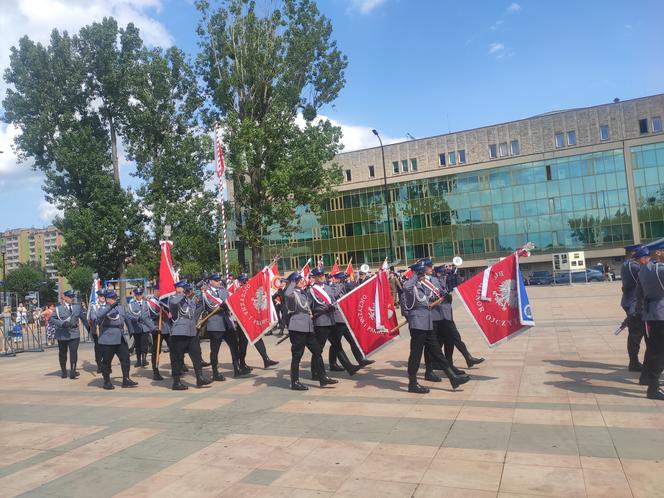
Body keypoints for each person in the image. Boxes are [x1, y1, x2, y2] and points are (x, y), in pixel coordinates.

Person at [401, 261, 470, 394]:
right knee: (415, 355)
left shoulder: (422, 285)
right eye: (421, 272)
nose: (423, 275)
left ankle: (453, 377)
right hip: (418, 325)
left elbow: (430, 297)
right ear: (417, 273)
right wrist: (416, 275)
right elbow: (406, 287)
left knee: (437, 352)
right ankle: (413, 383)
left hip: (427, 324)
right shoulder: (411, 286)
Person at [284, 271, 337, 390]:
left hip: (308, 327)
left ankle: (322, 377)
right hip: (297, 328)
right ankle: (295, 382)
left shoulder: (302, 292)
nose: (303, 281)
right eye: (300, 280)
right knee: (297, 355)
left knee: (317, 351)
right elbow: (287, 294)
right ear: (295, 282)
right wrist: (292, 282)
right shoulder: (291, 294)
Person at [434, 265, 485, 370]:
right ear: (438, 273)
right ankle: (468, 358)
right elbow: (439, 295)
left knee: (449, 340)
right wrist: (446, 296)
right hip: (441, 315)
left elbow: (453, 283)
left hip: (446, 314)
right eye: (444, 273)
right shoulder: (434, 281)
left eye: (446, 273)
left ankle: (448, 362)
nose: (446, 275)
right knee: (455, 337)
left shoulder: (442, 280)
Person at [168, 280, 212, 390]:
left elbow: (196, 310)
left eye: (186, 288)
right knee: (177, 357)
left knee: (196, 355)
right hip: (179, 332)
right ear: (177, 288)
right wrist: (181, 293)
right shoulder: (173, 298)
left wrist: (201, 293)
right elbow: (174, 304)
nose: (186, 289)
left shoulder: (189, 300)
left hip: (191, 331)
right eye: (183, 287)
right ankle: (176, 381)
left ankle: (200, 378)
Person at [202, 274, 244, 381]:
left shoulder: (223, 291)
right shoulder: (206, 293)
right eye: (216, 280)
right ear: (210, 281)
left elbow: (229, 302)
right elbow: (212, 306)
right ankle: (215, 372)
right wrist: (223, 305)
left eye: (219, 280)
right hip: (215, 324)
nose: (218, 282)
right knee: (215, 350)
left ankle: (236, 368)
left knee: (234, 346)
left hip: (227, 323)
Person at [636, 240, 664, 400]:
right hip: (660, 314)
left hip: (650, 314)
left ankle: (646, 377)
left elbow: (638, 294)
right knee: (659, 352)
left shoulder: (644, 270)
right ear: (659, 252)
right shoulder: (660, 270)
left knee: (653, 349)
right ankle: (653, 388)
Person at [234, 273, 279, 371]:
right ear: (240, 282)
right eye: (244, 281)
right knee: (243, 344)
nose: (246, 282)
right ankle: (241, 363)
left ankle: (266, 359)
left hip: (251, 321)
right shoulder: (237, 292)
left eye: (247, 280)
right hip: (242, 323)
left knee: (258, 339)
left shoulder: (249, 290)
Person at [94, 290, 137, 390]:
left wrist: (131, 331)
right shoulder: (102, 308)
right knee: (107, 362)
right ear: (107, 299)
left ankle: (126, 379)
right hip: (108, 339)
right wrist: (110, 306)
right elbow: (99, 315)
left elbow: (126, 318)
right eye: (111, 298)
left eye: (114, 298)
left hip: (120, 337)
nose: (114, 300)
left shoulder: (120, 308)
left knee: (125, 359)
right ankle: (107, 381)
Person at [329, 271, 369, 373]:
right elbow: (334, 295)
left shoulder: (346, 285)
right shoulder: (333, 287)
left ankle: (361, 359)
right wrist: (340, 284)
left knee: (352, 340)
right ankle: (335, 364)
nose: (344, 280)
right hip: (337, 319)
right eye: (342, 278)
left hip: (344, 317)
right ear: (336, 279)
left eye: (344, 278)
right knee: (336, 344)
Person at [50, 290, 89, 379]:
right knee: (63, 353)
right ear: (65, 298)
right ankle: (64, 371)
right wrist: (62, 323)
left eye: (73, 297)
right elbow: (52, 319)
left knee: (73, 352)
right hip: (62, 334)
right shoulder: (58, 308)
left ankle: (73, 371)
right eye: (70, 297)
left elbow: (84, 319)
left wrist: (90, 330)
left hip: (74, 333)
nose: (72, 299)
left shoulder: (77, 307)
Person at [621, 244, 646, 372]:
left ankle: (635, 362)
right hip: (635, 305)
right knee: (637, 334)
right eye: (643, 254)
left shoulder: (626, 264)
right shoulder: (634, 266)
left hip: (629, 302)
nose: (646, 258)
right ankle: (634, 363)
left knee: (635, 334)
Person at [146, 288, 170, 381]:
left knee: (174, 349)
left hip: (167, 328)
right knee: (156, 351)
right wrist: (153, 328)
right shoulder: (150, 302)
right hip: (157, 328)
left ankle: (177, 368)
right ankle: (155, 371)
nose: (161, 292)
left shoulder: (166, 300)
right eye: (159, 290)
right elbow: (146, 317)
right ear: (155, 291)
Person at [126, 288, 154, 368]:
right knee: (138, 344)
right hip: (136, 327)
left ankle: (144, 360)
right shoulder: (131, 304)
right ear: (135, 295)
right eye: (137, 294)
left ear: (142, 294)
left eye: (140, 294)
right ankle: (138, 361)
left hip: (145, 327)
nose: (139, 296)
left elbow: (150, 314)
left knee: (144, 343)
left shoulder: (147, 303)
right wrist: (136, 319)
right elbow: (129, 315)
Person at [88, 289, 106, 373]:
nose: (102, 297)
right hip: (97, 330)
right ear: (98, 297)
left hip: (107, 331)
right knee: (98, 349)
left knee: (106, 349)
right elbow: (92, 316)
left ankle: (105, 364)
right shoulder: (94, 306)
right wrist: (98, 319)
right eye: (101, 296)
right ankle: (99, 365)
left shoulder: (108, 305)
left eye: (104, 296)